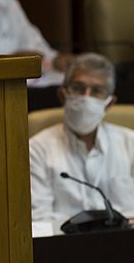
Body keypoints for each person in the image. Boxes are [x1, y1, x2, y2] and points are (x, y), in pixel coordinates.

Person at [30, 53, 134, 223]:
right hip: (64, 246)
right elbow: (38, 221)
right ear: (62, 95)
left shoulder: (130, 144)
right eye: (78, 88)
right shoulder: (36, 150)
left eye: (97, 91)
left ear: (110, 103)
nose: (86, 97)